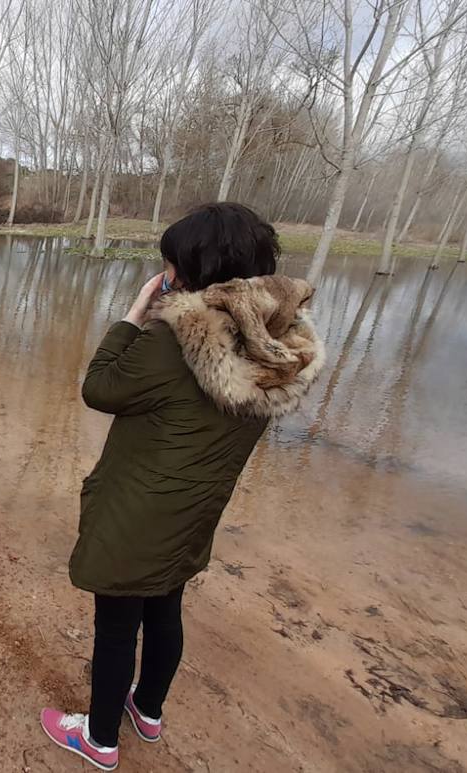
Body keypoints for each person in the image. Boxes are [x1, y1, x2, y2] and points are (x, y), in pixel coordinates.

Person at [39, 203, 326, 771]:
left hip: (137, 514)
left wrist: (135, 313)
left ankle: (98, 740)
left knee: (117, 626)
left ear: (189, 269)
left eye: (169, 264)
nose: (165, 272)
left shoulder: (177, 340)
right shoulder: (280, 345)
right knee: (165, 610)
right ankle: (147, 711)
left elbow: (100, 388)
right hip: (194, 513)